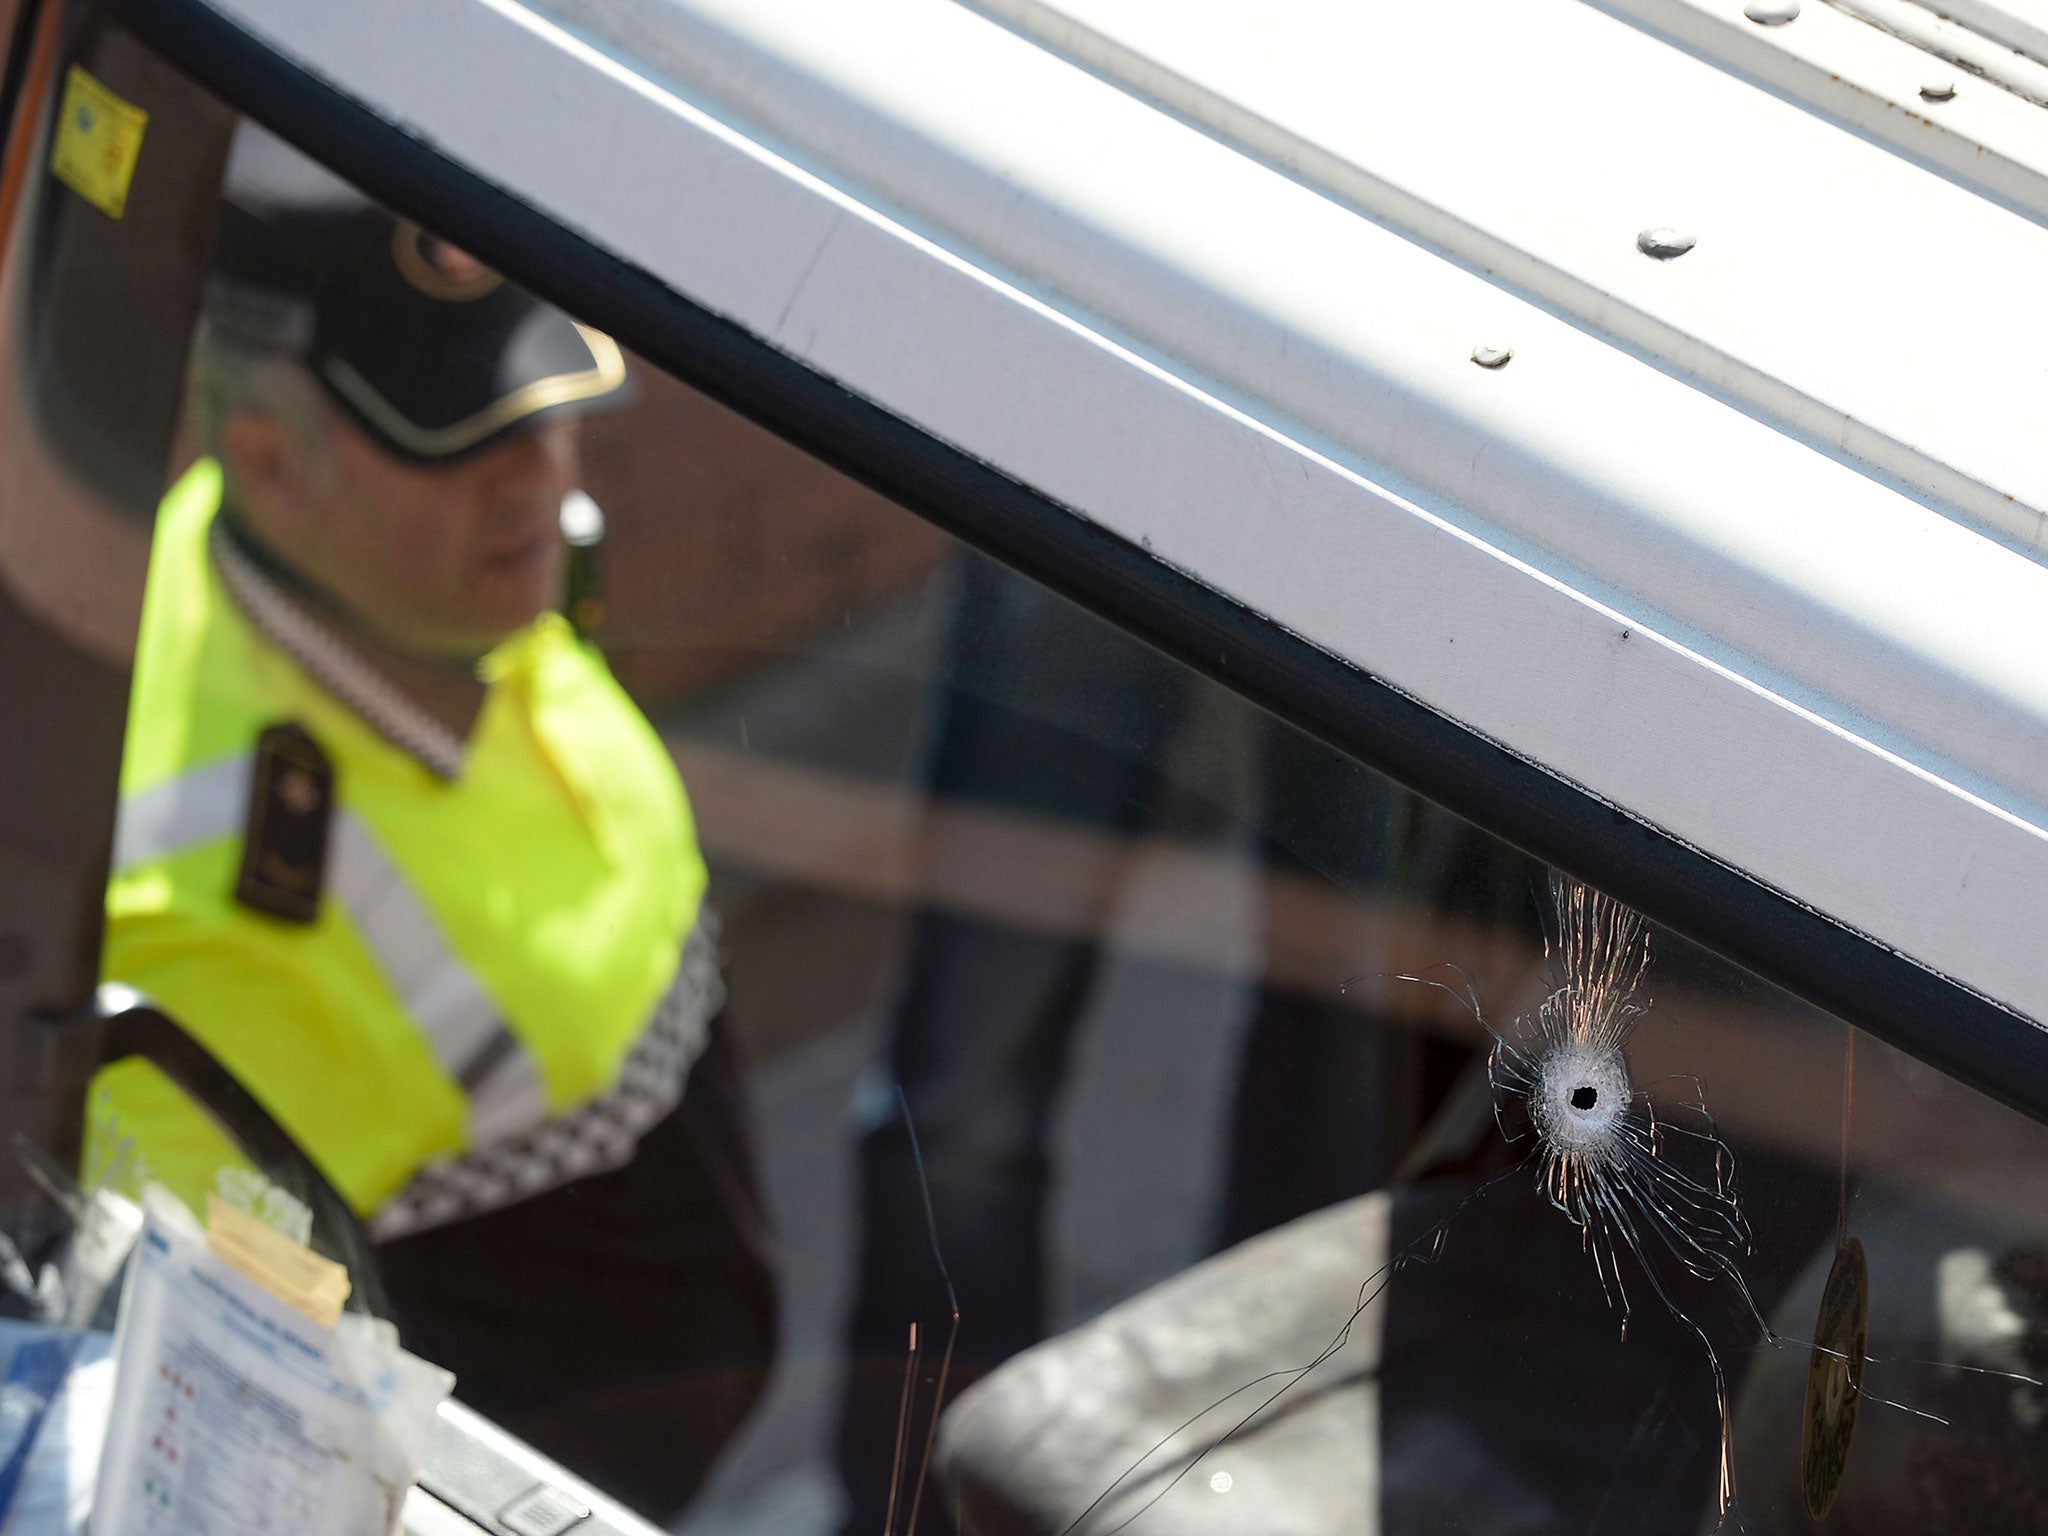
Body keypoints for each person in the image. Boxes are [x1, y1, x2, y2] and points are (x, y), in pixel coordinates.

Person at [86, 123, 774, 1519]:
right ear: (270, 461)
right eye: (458, 440)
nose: (543, 476)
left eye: (541, 406)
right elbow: (258, 1422)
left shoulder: (419, 590)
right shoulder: (192, 923)